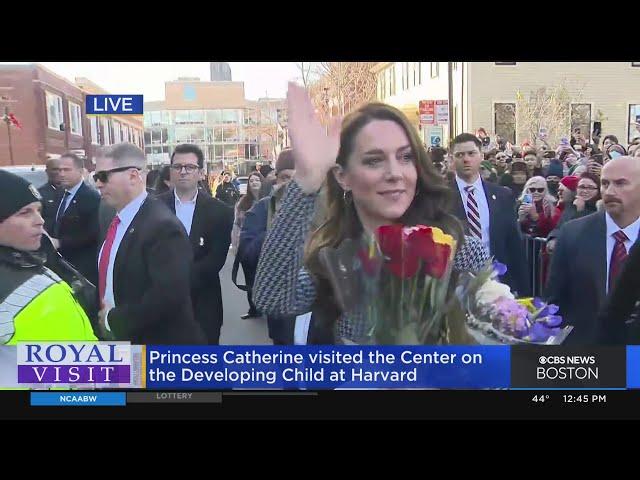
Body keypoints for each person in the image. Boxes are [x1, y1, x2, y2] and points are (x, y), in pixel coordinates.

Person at [252, 84, 492, 345]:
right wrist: (306, 182)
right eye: (373, 160)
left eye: (405, 157)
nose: (394, 173)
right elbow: (272, 299)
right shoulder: (334, 258)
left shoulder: (455, 246)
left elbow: (492, 323)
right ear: (342, 176)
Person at [94, 143, 205, 344]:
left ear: (133, 176)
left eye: (103, 176)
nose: (98, 184)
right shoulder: (116, 219)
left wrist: (113, 320)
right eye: (95, 177)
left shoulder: (162, 227)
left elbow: (168, 297)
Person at [545, 156, 640, 345]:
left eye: (621, 183)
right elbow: (555, 303)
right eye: (605, 184)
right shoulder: (572, 234)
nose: (610, 191)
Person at [0, 170, 96, 344]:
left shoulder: (29, 261)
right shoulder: (17, 284)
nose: (40, 221)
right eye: (25, 213)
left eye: (38, 210)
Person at [156, 144, 233, 344]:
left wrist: (177, 283)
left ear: (200, 173)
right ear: (171, 171)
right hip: (160, 306)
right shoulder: (152, 208)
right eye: (177, 167)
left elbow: (215, 260)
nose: (183, 171)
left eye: (189, 167)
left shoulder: (220, 212)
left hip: (203, 305)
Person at [449, 133, 529, 295]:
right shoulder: (441, 198)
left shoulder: (501, 196)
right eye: (460, 155)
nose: (466, 159)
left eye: (471, 153)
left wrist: (522, 290)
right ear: (452, 159)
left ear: (481, 156)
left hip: (497, 284)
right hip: (456, 289)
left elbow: (514, 245)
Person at [239, 149, 298, 343]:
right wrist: (277, 227)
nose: (292, 185)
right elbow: (247, 255)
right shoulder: (263, 208)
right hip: (282, 311)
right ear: (276, 180)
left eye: (299, 178)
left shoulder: (322, 206)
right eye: (286, 177)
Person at [48, 152, 101, 286]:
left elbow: (93, 234)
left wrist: (60, 243)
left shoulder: (92, 197)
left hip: (81, 267)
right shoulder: (59, 193)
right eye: (59, 170)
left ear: (80, 171)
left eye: (67, 170)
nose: (62, 174)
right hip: (59, 265)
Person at [231, 171, 264, 319]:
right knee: (250, 280)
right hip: (247, 247)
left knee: (265, 279)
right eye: (251, 181)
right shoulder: (243, 203)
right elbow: (237, 225)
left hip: (265, 248)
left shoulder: (269, 201)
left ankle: (268, 306)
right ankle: (253, 309)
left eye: (257, 180)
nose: (254, 182)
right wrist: (236, 245)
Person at [38, 157, 62, 233]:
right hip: (50, 239)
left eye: (60, 169)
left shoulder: (72, 191)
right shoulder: (40, 194)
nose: (58, 172)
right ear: (47, 171)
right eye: (54, 169)